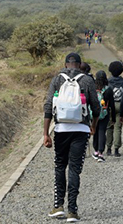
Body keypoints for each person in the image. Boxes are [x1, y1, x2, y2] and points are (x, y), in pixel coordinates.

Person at [43, 52, 100, 222]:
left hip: (61, 129)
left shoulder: (57, 79)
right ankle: (72, 211)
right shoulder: (87, 80)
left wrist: (46, 133)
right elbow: (96, 108)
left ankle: (58, 206)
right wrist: (93, 126)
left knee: (60, 166)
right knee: (75, 168)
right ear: (80, 64)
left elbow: (48, 106)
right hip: (81, 130)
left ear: (66, 63)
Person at [92, 71, 116, 162]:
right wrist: (113, 118)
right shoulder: (108, 89)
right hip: (105, 113)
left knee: (95, 130)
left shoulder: (93, 88)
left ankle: (96, 151)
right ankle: (101, 152)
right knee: (102, 131)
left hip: (94, 113)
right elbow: (112, 105)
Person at [106, 61, 123, 157]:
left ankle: (108, 148)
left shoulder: (108, 81)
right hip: (121, 105)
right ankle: (116, 149)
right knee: (118, 127)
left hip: (110, 106)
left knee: (109, 127)